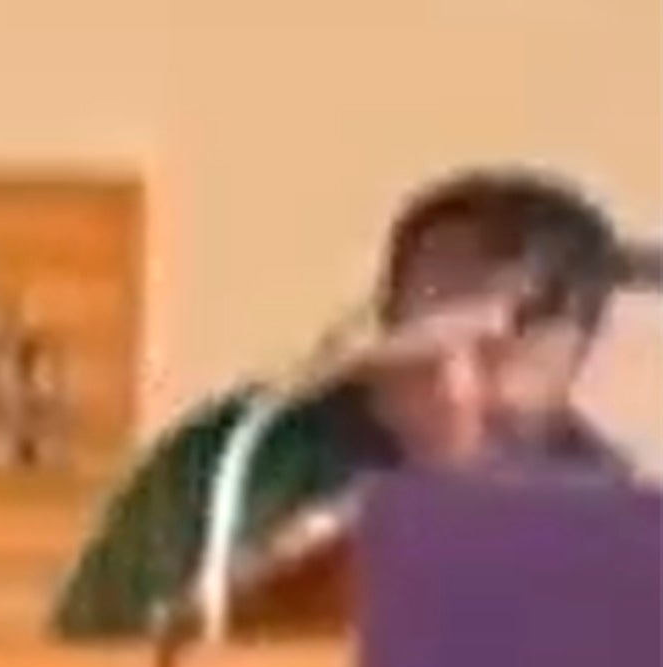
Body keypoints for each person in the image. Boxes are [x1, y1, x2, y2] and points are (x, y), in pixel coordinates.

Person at [48, 170, 641, 636]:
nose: (456, 390)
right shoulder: (234, 466)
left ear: (577, 357)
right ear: (388, 317)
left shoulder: (607, 510)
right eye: (432, 345)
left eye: (501, 360)